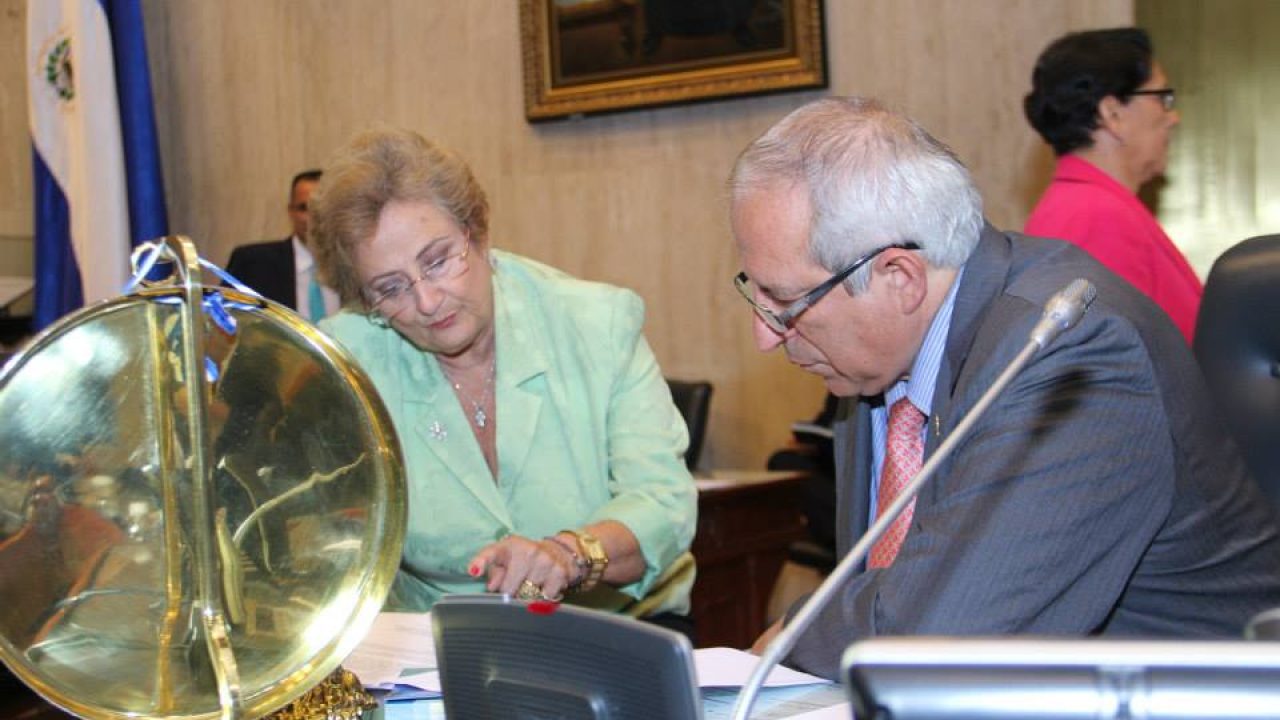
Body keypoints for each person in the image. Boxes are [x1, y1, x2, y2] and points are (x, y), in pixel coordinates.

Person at [729, 96, 1280, 680]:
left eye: (784, 301)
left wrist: (796, 632)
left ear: (899, 277)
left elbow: (943, 636)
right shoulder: (870, 359)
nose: (765, 335)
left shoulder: (1073, 347)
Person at [308, 128, 697, 634]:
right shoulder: (348, 361)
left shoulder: (596, 323)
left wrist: (571, 554)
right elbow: (324, 535)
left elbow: (664, 503)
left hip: (612, 629)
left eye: (437, 261)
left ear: (479, 231)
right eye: (390, 288)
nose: (427, 301)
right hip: (432, 645)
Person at [1024, 27, 1201, 343]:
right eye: (1161, 98)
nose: (1172, 117)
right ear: (1112, 113)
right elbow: (1115, 359)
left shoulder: (1090, 205)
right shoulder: (1096, 217)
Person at [225, 169, 340, 321]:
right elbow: (223, 322)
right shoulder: (253, 265)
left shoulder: (355, 267)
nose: (312, 218)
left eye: (320, 208)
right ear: (290, 211)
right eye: (303, 208)